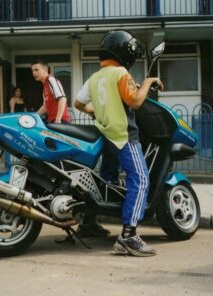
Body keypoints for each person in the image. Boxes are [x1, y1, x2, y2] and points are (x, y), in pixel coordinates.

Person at [74, 30, 163, 257]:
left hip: (106, 136)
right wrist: (148, 82)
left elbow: (78, 103)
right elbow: (134, 101)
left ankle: (88, 223)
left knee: (106, 182)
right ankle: (129, 236)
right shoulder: (121, 72)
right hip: (124, 136)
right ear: (125, 52)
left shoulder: (94, 78)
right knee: (141, 180)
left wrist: (94, 111)